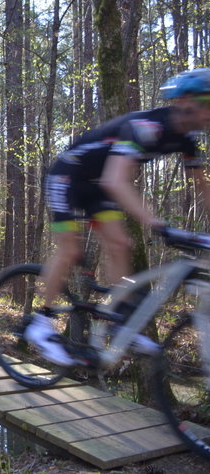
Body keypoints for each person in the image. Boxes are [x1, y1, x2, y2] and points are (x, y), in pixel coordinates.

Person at [26, 68, 210, 366]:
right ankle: (41, 322)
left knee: (122, 245)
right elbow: (116, 181)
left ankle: (117, 320)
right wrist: (156, 223)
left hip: (96, 185)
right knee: (71, 249)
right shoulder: (147, 127)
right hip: (67, 175)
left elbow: (203, 188)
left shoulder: (187, 138)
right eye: (208, 103)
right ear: (186, 100)